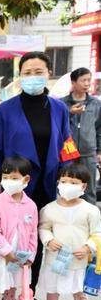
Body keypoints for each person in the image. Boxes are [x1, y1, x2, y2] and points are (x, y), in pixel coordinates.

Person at [0, 51, 72, 300]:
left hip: (46, 185)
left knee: (36, 241)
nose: (33, 77)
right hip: (16, 186)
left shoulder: (59, 108)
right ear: (19, 76)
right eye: (27, 72)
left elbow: (66, 145)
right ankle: (3, 294)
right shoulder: (6, 109)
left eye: (39, 72)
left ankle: (28, 293)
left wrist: (69, 181)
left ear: (48, 73)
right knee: (10, 241)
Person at [36, 163, 101, 300]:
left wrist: (88, 247)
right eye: (64, 181)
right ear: (58, 183)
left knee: (79, 293)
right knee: (52, 289)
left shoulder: (91, 210)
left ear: (84, 186)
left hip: (78, 262)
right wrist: (48, 240)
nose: (67, 185)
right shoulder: (49, 208)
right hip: (55, 260)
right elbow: (43, 227)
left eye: (73, 182)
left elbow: (97, 233)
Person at [0, 156, 38, 300]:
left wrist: (30, 256)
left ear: (26, 180)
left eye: (14, 178)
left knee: (13, 284)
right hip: (2, 254)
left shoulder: (31, 205)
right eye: (5, 177)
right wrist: (6, 251)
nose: (8, 182)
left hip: (20, 253)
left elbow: (33, 233)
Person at [61, 67, 101, 204]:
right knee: (67, 187)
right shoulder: (62, 103)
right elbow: (56, 125)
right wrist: (70, 112)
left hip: (88, 152)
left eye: (89, 80)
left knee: (89, 188)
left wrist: (99, 151)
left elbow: (99, 129)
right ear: (73, 82)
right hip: (67, 153)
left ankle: (91, 220)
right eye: (83, 80)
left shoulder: (95, 104)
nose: (87, 84)